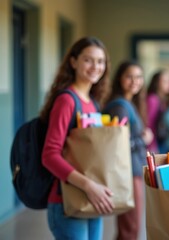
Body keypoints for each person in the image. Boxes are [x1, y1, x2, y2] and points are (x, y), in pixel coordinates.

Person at [40, 37, 113, 239]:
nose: (95, 67)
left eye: (100, 61)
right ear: (73, 62)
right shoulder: (67, 101)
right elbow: (49, 155)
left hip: (92, 197)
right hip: (67, 201)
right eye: (88, 60)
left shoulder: (93, 103)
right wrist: (89, 186)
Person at [103, 60, 152, 240]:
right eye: (129, 77)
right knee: (130, 227)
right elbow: (118, 143)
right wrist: (144, 139)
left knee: (130, 226)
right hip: (127, 172)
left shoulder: (129, 103)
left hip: (132, 170)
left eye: (139, 77)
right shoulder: (120, 106)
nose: (135, 81)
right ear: (120, 79)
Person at [146, 69, 169, 153]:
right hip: (154, 145)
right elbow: (149, 124)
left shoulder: (162, 99)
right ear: (157, 83)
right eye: (166, 81)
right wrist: (152, 147)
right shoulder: (152, 99)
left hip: (161, 142)